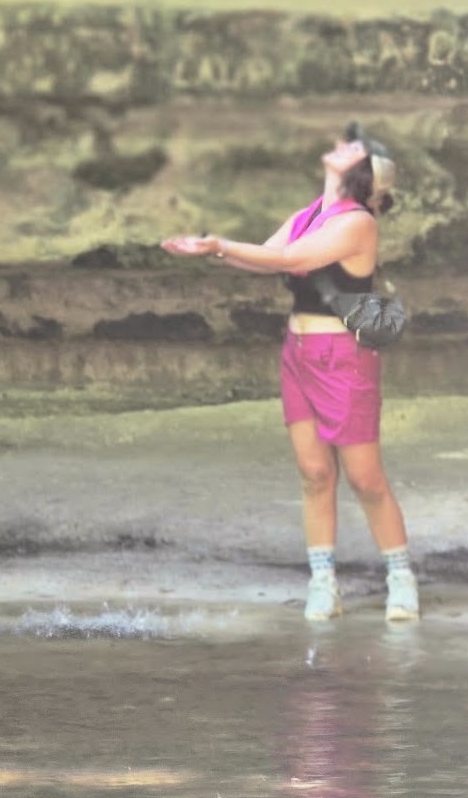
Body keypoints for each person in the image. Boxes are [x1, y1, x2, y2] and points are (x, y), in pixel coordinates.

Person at [161, 123, 419, 623]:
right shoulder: (308, 215)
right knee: (314, 473)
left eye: (354, 147)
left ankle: (400, 577)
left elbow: (289, 259)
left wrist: (219, 245)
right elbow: (267, 258)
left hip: (342, 357)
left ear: (363, 171)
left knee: (365, 478)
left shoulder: (357, 222)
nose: (341, 145)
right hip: (298, 353)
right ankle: (323, 583)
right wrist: (210, 250)